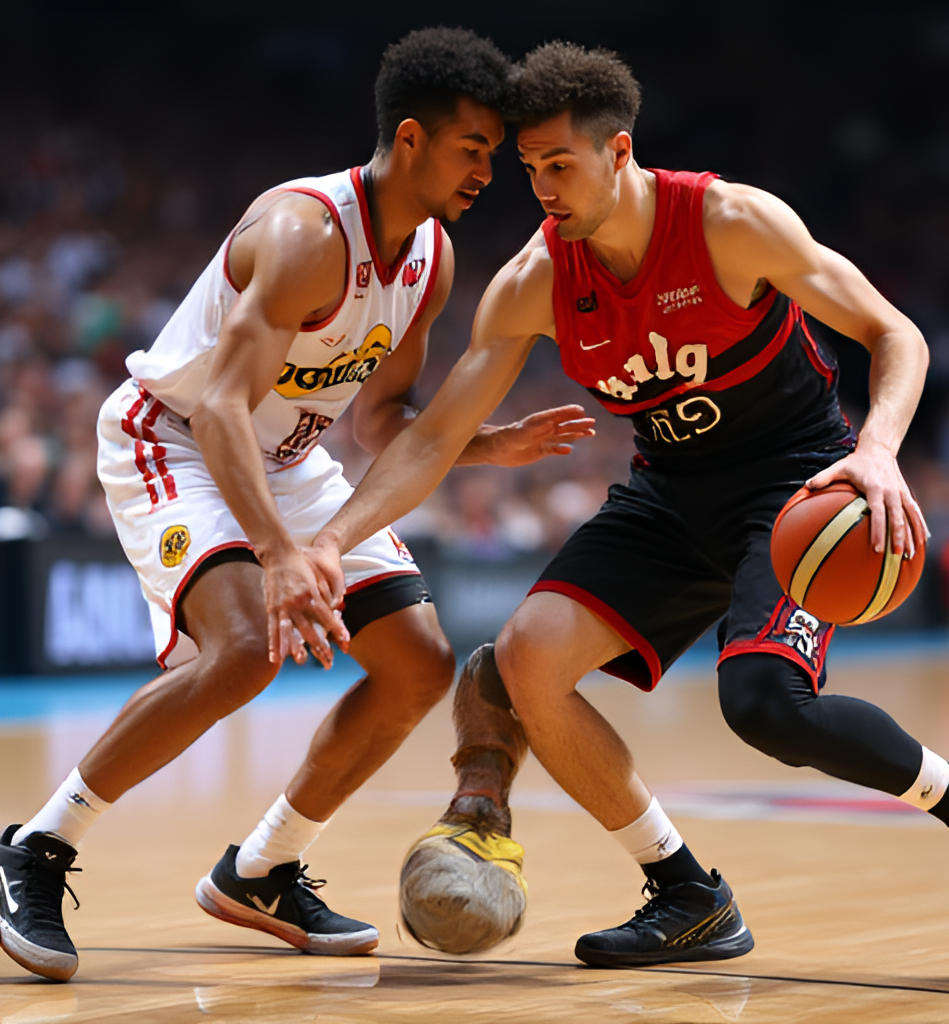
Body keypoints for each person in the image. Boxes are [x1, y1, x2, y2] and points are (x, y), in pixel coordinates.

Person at [301, 42, 949, 968]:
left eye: (560, 164)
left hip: (794, 483)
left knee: (765, 704)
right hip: (671, 494)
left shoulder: (730, 222)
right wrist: (330, 541)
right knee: (525, 660)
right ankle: (688, 893)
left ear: (619, 152)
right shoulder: (535, 282)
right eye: (529, 170)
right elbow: (434, 439)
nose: (543, 190)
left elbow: (895, 333)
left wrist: (877, 452)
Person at [0, 28, 595, 983]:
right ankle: (36, 845)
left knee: (417, 665)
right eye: (474, 149)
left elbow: (381, 420)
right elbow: (227, 404)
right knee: (242, 651)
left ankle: (260, 869)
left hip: (287, 456)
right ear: (410, 139)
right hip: (179, 437)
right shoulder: (305, 232)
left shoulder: (430, 258)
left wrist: (483, 446)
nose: (491, 171)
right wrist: (281, 554)